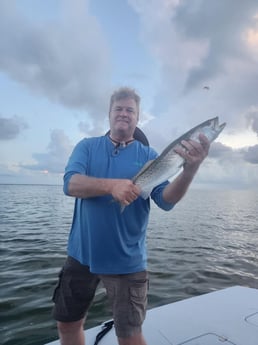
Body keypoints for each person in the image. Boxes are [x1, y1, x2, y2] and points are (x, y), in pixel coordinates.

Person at [52, 87, 210, 345]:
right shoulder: (87, 147)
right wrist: (111, 186)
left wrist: (190, 171)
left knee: (129, 334)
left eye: (130, 110)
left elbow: (165, 201)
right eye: (119, 108)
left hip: (127, 262)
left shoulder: (149, 156)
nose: (124, 114)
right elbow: (70, 184)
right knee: (68, 324)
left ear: (137, 118)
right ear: (109, 113)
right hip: (81, 255)